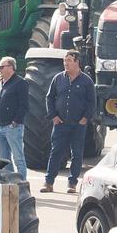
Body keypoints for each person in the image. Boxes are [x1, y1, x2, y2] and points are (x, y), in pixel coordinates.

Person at [42, 51, 95, 193]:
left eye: (69, 60)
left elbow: (92, 102)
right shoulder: (58, 79)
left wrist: (85, 118)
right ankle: (48, 183)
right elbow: (49, 98)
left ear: (77, 62)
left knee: (77, 154)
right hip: (60, 124)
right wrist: (53, 116)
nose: (66, 63)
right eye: (65, 61)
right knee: (56, 152)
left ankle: (72, 184)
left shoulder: (86, 81)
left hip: (78, 125)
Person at [0, 56, 28, 179]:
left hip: (12, 126)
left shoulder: (20, 83)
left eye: (2, 67)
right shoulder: (0, 82)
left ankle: (22, 183)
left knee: (18, 158)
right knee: (4, 159)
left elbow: (24, 105)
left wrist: (15, 122)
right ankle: (10, 182)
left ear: (11, 67)